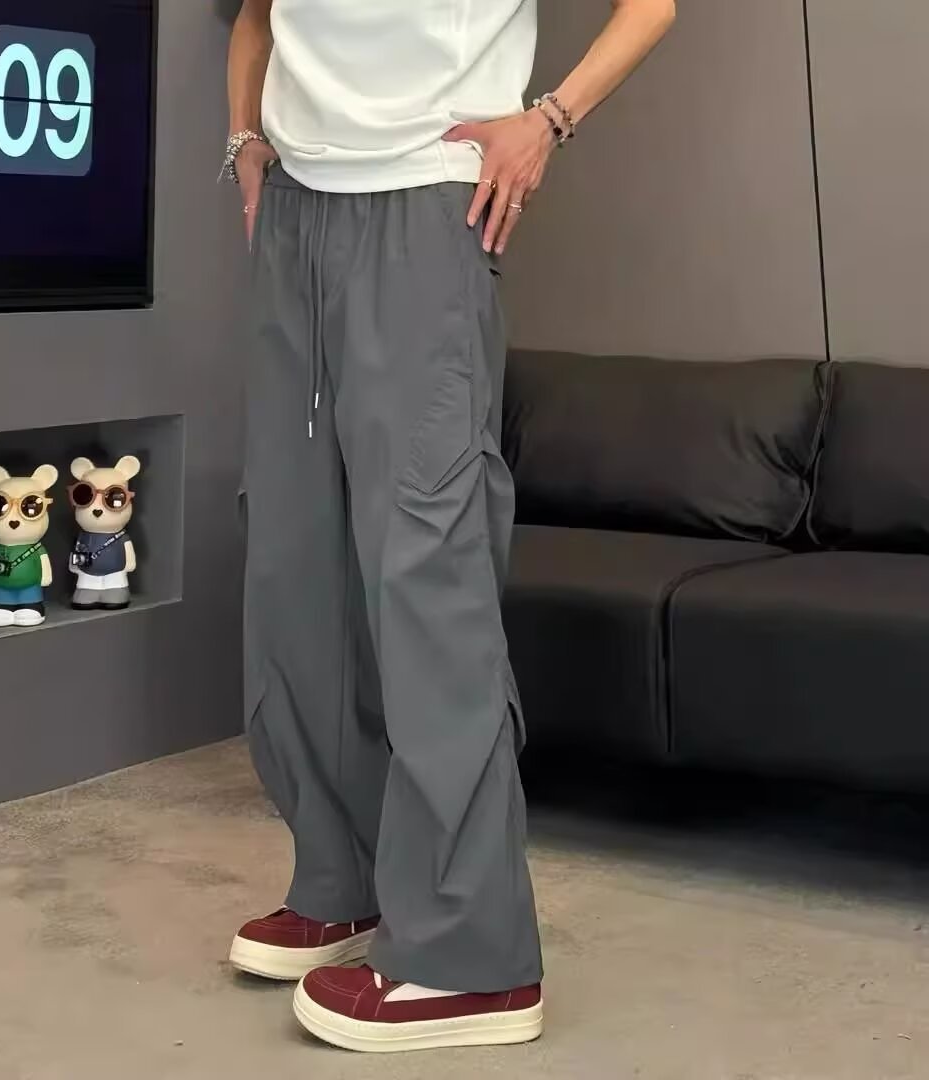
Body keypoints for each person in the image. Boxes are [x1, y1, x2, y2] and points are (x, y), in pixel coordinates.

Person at [224, 0, 675, 1053]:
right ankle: (343, 880)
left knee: (426, 575)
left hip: (426, 204)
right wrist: (244, 137)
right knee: (297, 566)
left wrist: (547, 120)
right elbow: (253, 17)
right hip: (295, 210)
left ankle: (472, 957)